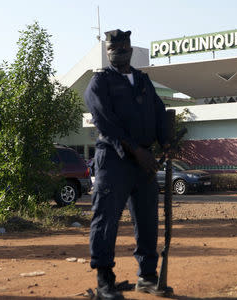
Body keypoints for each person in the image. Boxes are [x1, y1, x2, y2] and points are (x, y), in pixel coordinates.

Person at [84, 29, 171, 300]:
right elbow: (104, 120)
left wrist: (166, 142)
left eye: (125, 47)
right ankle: (104, 282)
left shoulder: (143, 81)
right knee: (106, 218)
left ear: (131, 48)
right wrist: (133, 149)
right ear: (108, 52)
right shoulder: (100, 82)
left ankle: (147, 277)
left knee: (147, 219)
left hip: (144, 162)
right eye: (115, 48)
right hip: (114, 159)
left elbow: (158, 111)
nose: (120, 51)